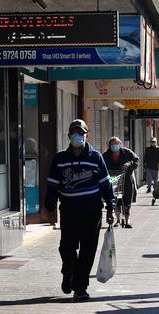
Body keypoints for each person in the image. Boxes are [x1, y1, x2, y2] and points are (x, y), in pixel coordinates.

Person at [45, 119, 115, 301]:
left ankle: (80, 287)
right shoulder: (60, 159)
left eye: (81, 133)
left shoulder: (96, 157)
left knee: (88, 250)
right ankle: (68, 271)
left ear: (86, 135)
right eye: (74, 133)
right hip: (68, 212)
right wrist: (50, 208)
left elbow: (106, 185)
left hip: (92, 213)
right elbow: (52, 185)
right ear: (69, 136)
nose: (78, 136)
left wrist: (111, 208)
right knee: (66, 248)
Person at [103, 137, 139, 229]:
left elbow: (136, 160)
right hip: (114, 180)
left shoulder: (127, 153)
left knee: (127, 200)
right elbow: (102, 165)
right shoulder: (106, 155)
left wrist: (129, 164)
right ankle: (118, 219)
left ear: (120, 144)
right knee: (116, 200)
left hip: (126, 179)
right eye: (112, 144)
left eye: (116, 144)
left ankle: (127, 219)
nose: (114, 146)